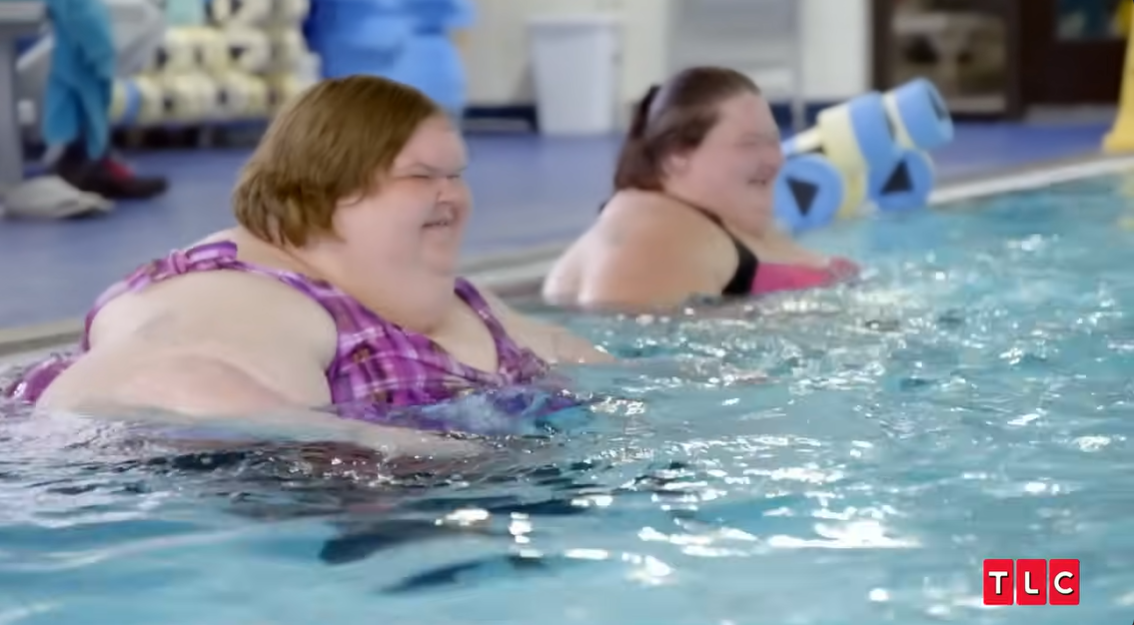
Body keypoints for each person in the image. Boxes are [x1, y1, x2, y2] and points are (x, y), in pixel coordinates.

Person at [4, 76, 610, 456]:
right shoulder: (247, 295)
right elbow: (123, 387)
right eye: (421, 178)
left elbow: (590, 361)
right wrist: (377, 441)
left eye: (456, 175)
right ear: (326, 193)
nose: (450, 196)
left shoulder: (447, 297)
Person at [542, 66, 860, 312]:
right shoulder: (652, 231)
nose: (774, 160)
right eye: (749, 144)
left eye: (773, 141)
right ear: (677, 155)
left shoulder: (702, 222)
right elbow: (629, 349)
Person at [16, 0, 169, 200]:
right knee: (81, 98)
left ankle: (93, 166)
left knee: (86, 98)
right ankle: (84, 170)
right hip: (81, 39)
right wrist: (101, 51)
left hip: (79, 40)